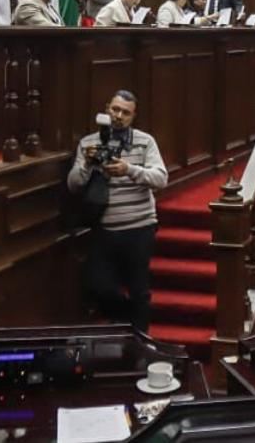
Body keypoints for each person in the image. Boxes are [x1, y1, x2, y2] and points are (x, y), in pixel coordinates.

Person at [66, 90, 168, 331]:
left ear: (133, 116)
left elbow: (161, 179)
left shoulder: (145, 141)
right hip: (104, 228)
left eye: (125, 112)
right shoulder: (89, 143)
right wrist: (87, 164)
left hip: (139, 226)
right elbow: (73, 184)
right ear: (106, 109)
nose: (118, 116)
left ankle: (141, 341)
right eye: (115, 109)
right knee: (99, 286)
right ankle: (125, 322)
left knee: (138, 289)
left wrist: (129, 170)